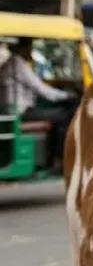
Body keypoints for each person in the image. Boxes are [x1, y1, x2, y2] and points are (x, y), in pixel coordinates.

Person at [0, 38, 76, 170]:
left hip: (12, 110)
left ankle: (52, 158)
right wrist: (66, 96)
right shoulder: (17, 64)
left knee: (57, 116)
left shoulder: (11, 63)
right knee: (63, 118)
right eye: (30, 48)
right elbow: (40, 89)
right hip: (20, 112)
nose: (31, 52)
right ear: (23, 49)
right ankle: (58, 160)